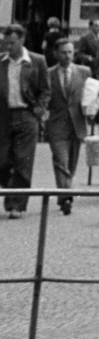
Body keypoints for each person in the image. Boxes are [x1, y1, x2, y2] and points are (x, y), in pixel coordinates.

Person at [2, 24, 49, 218]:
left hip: (26, 116)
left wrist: (39, 109)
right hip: (3, 117)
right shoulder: (1, 61)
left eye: (12, 43)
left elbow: (45, 90)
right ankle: (11, 190)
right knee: (2, 161)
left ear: (22, 40)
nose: (8, 47)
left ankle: (17, 205)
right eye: (5, 43)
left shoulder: (37, 61)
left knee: (23, 161)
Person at [44, 39, 90, 215]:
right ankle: (66, 197)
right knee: (60, 161)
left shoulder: (84, 72)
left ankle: (64, 192)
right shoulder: (48, 73)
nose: (67, 56)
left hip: (77, 123)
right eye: (63, 52)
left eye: (70, 52)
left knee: (71, 163)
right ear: (55, 54)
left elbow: (91, 95)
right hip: (57, 123)